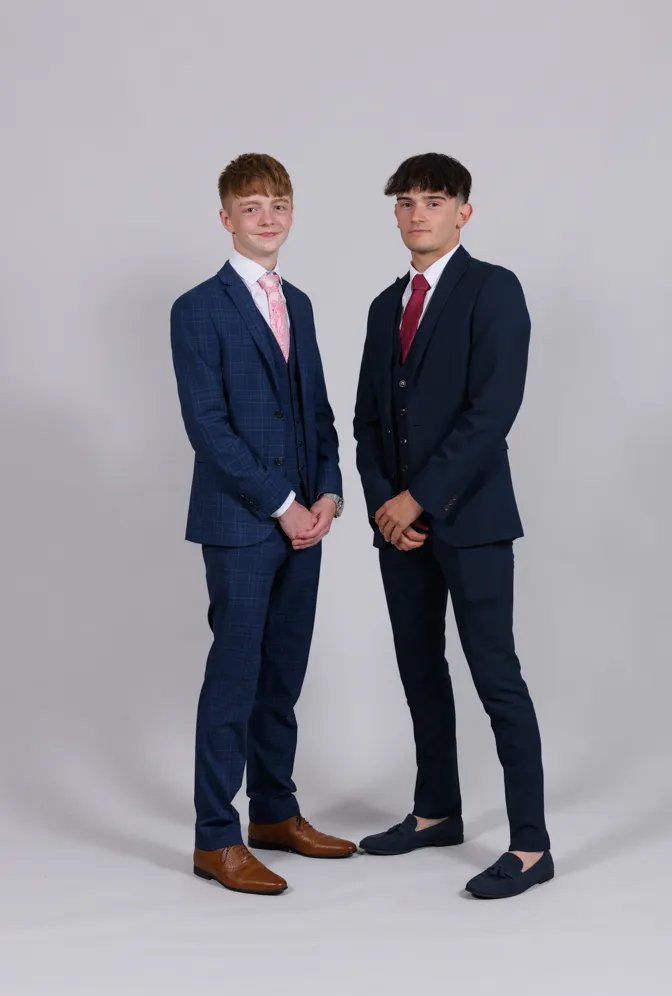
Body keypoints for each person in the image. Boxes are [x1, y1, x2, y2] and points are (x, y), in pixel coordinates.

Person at [353, 153, 553, 899]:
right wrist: (386, 505)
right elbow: (367, 421)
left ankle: (531, 846)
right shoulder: (385, 306)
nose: (418, 213)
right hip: (398, 530)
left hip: (472, 521)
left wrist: (420, 499)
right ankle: (436, 810)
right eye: (406, 202)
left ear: (463, 212)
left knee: (496, 676)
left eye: (433, 201)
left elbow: (493, 410)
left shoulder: (493, 289)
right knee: (419, 671)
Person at [171, 153, 353, 896]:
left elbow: (316, 411)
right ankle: (216, 837)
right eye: (251, 207)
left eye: (278, 205)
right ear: (226, 217)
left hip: (307, 523)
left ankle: (275, 812)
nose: (267, 218)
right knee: (235, 677)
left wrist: (329, 494)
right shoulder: (197, 308)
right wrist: (284, 503)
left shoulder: (298, 303)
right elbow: (208, 427)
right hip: (244, 523)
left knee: (282, 674)